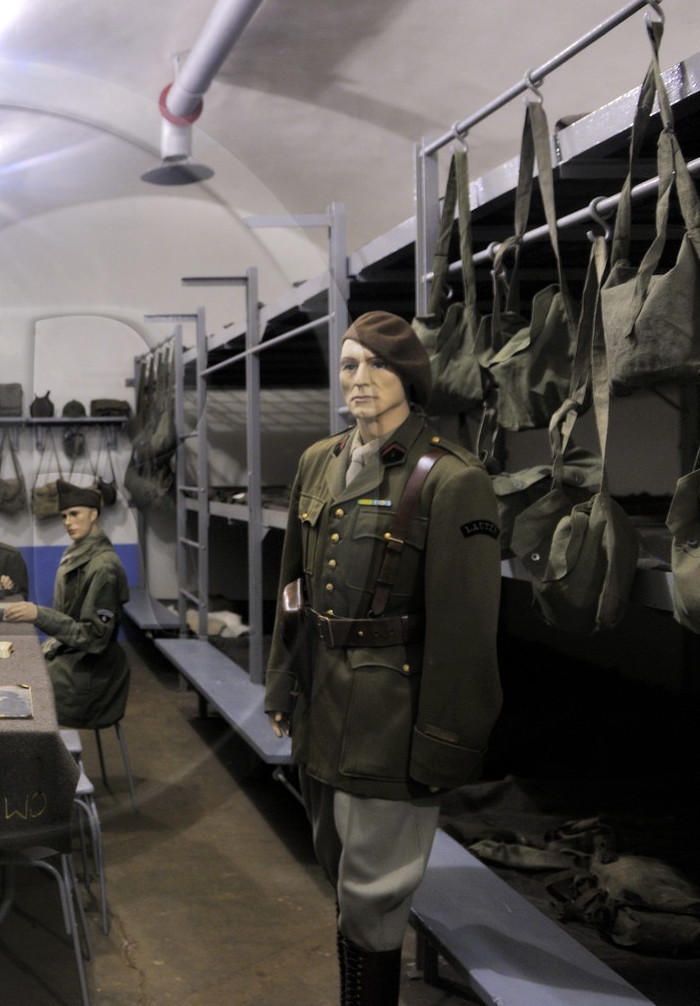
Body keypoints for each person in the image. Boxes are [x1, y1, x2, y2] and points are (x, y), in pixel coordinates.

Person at [264, 311, 502, 1006]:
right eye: (348, 365)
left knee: (375, 898)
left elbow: (465, 635)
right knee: (341, 878)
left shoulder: (452, 480)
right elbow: (292, 588)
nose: (359, 379)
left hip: (390, 721)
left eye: (376, 365)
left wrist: (442, 745)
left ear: (410, 377)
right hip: (321, 705)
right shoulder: (320, 462)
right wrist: (282, 686)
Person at [2, 480, 130, 730]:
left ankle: (41, 763)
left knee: (19, 689)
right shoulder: (78, 553)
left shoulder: (103, 567)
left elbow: (94, 638)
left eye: (74, 514)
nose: (67, 522)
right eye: (63, 516)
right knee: (15, 667)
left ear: (93, 514)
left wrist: (39, 614)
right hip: (71, 658)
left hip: (91, 673)